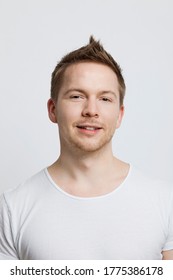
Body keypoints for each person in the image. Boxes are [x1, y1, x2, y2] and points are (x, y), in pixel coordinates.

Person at [0, 36, 173, 260]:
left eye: (105, 99)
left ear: (119, 115)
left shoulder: (164, 201)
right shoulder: (13, 208)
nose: (91, 110)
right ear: (53, 109)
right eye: (76, 96)